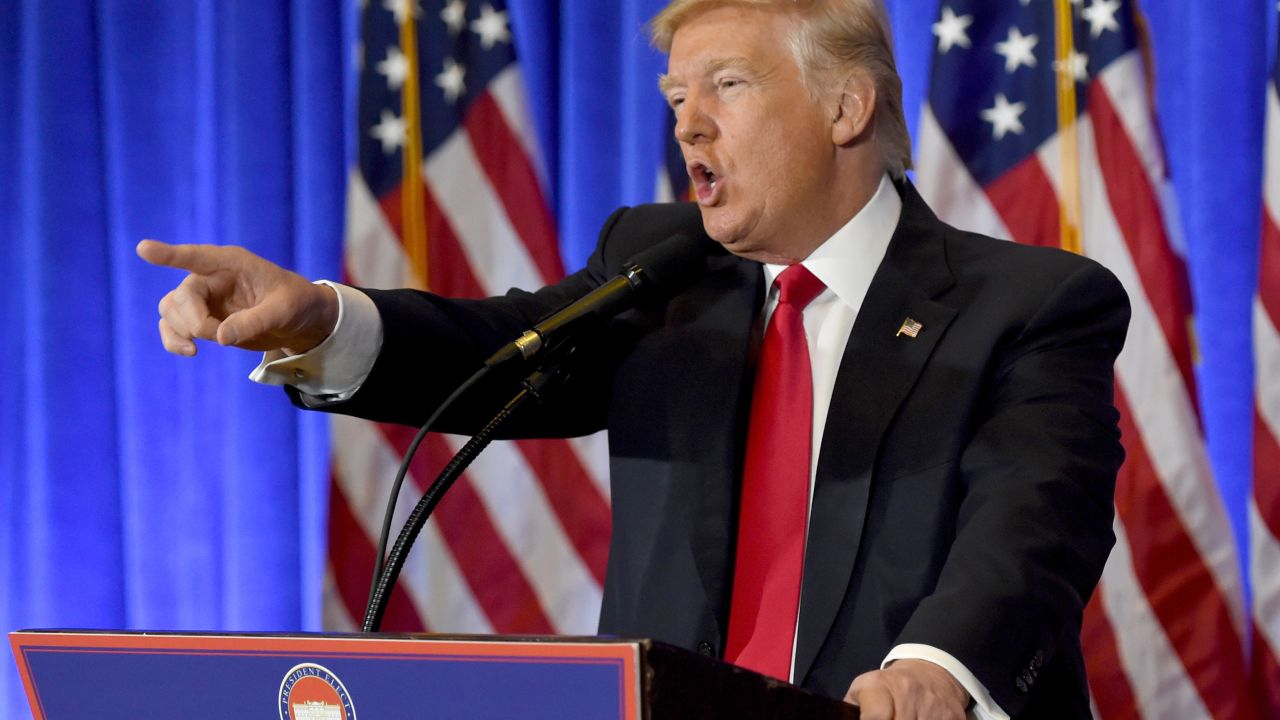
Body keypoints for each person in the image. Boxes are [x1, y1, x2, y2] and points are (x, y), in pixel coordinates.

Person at [138, 0, 1130, 717]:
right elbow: (494, 351)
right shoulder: (661, 269)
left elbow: (1034, 523)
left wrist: (935, 669)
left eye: (727, 86)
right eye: (674, 94)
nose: (686, 121)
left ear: (846, 109)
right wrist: (319, 319)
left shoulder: (1028, 303)